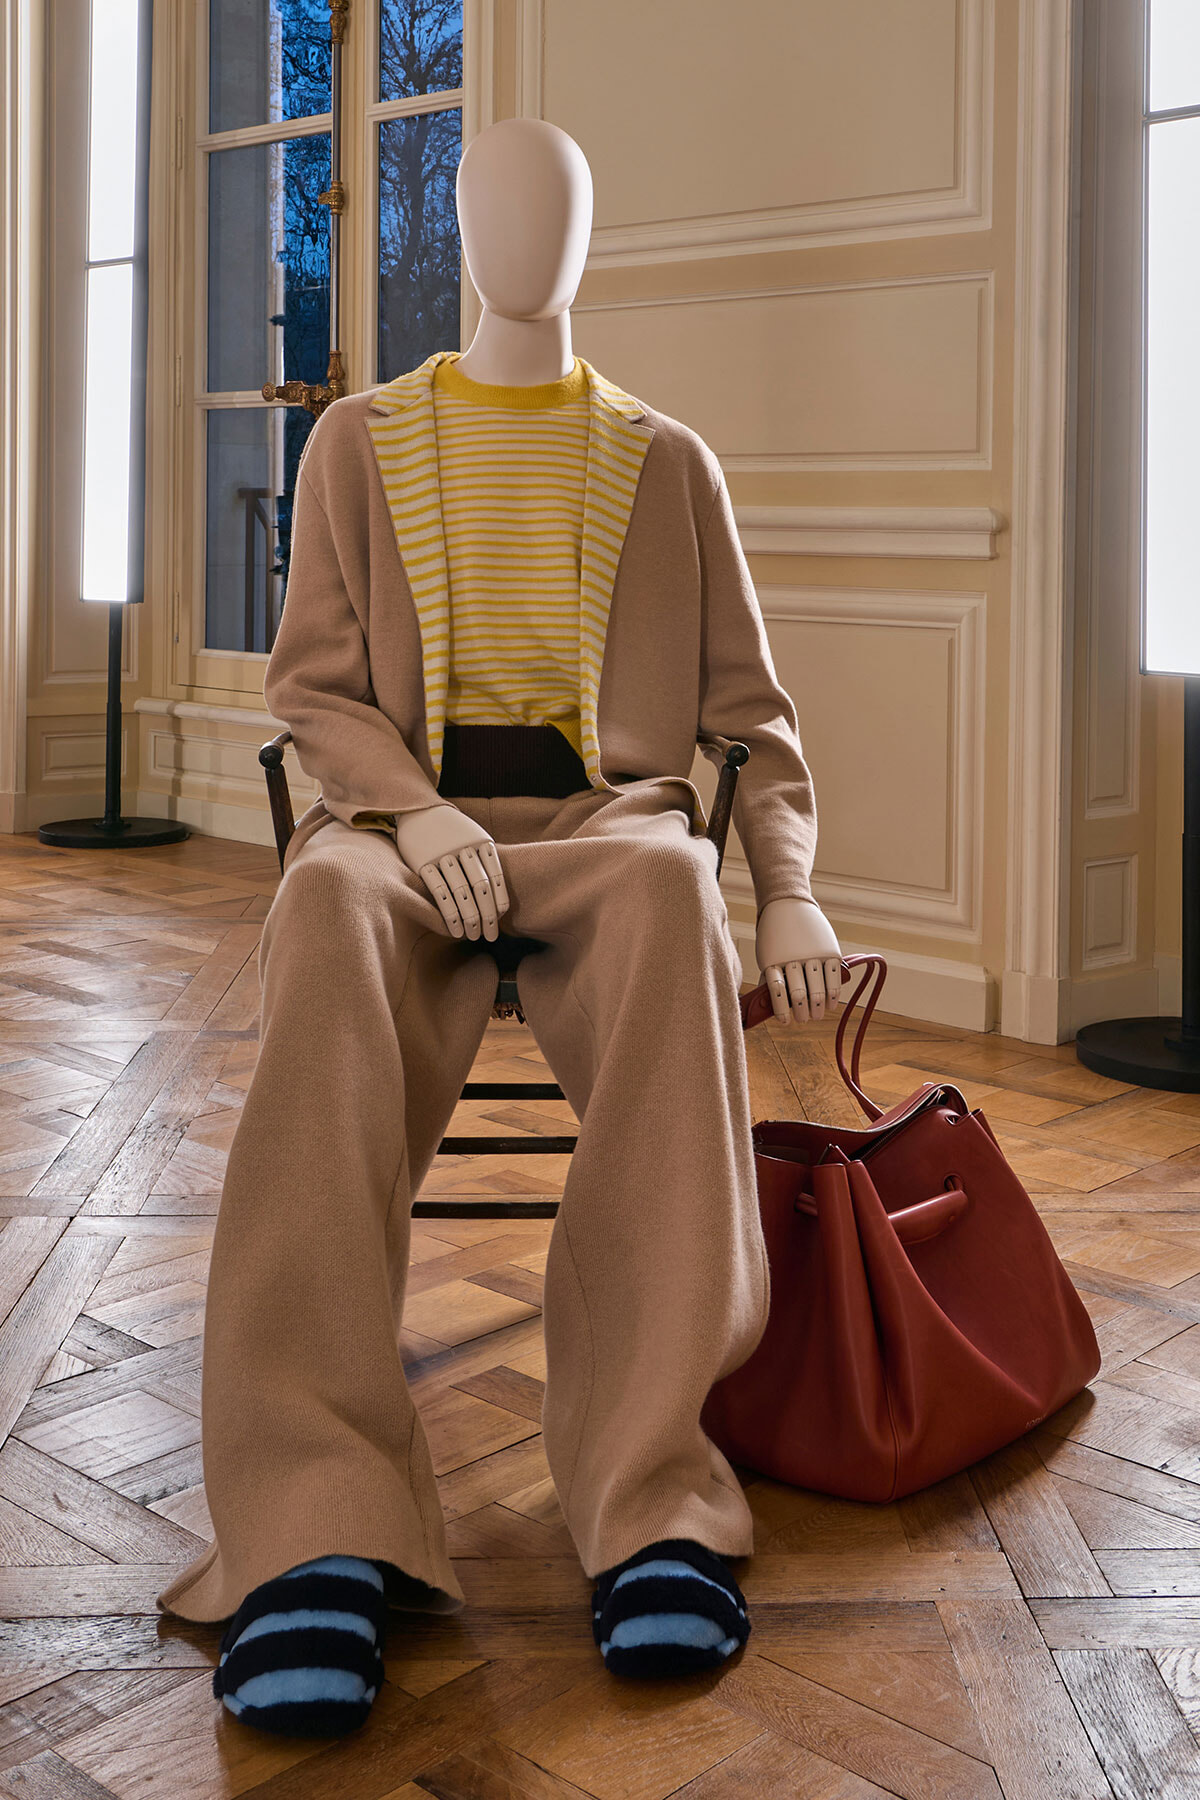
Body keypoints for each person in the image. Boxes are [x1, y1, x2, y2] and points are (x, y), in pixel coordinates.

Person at [155, 117, 844, 1739]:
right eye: (504, 206)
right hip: (408, 829)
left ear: (591, 236)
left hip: (609, 828)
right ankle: (315, 1520)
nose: (536, 234)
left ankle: (654, 1497)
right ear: (460, 228)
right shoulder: (358, 446)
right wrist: (412, 808)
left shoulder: (669, 459)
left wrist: (791, 874)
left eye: (564, 208)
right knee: (323, 902)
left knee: (681, 885)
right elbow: (313, 692)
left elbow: (752, 717)